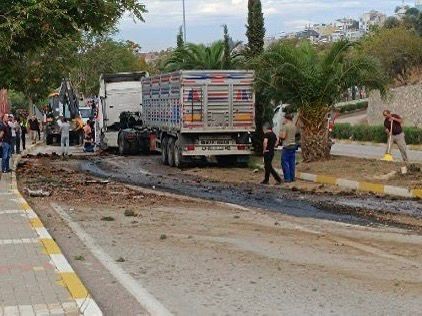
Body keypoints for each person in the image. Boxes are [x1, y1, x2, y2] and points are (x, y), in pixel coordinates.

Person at [279, 114, 297, 183]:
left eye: (284, 118)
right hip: (293, 145)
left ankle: (287, 178)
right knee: (292, 162)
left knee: (285, 162)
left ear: (286, 119)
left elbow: (283, 136)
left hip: (287, 146)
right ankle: (292, 177)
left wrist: (280, 134)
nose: (283, 120)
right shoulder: (294, 126)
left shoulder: (285, 126)